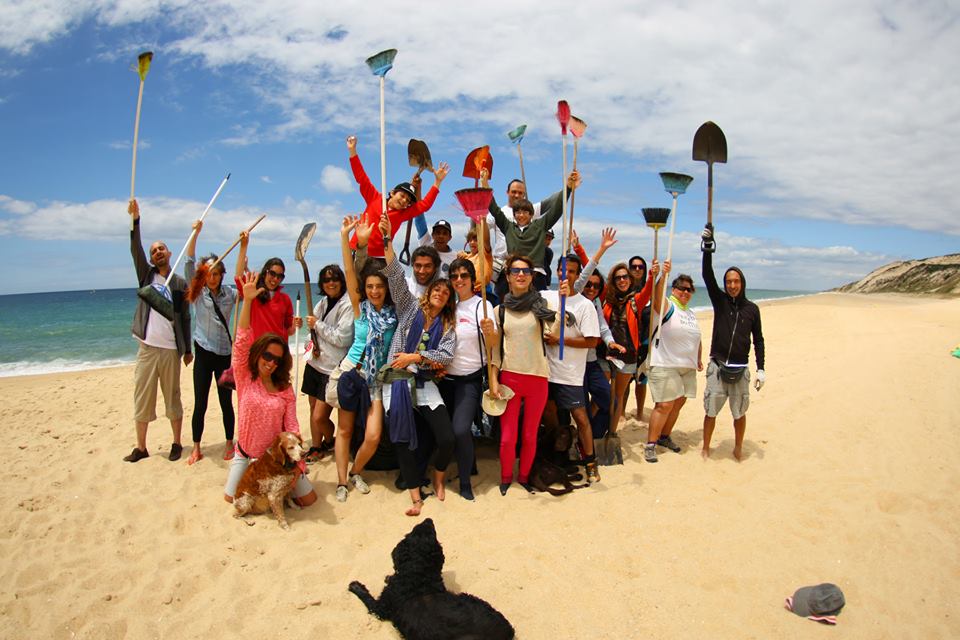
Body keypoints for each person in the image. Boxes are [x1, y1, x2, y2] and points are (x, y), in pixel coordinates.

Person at [381, 215, 458, 516]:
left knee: (447, 437)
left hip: (424, 383)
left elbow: (445, 355)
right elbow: (395, 275)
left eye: (445, 293)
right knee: (402, 438)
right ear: (428, 293)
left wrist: (415, 357)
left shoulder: (447, 324)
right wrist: (388, 240)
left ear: (449, 299)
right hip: (397, 380)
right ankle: (415, 497)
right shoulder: (410, 307)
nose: (439, 294)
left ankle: (438, 476)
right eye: (436, 290)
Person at [223, 271, 317, 507]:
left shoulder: (285, 388)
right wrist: (247, 301)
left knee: (309, 499)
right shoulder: (245, 377)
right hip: (247, 455)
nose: (271, 362)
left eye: (277, 359)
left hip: (277, 460)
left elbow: (292, 426)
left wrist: (298, 464)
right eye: (267, 355)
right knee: (230, 499)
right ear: (258, 355)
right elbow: (242, 339)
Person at [330, 216, 398, 503]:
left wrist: (387, 239)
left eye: (378, 286)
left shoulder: (395, 312)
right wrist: (347, 238)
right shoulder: (361, 308)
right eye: (369, 286)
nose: (374, 291)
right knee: (344, 430)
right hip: (353, 374)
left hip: (377, 382)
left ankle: (356, 471)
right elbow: (348, 271)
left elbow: (395, 274)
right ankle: (342, 482)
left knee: (372, 436)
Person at [125, 199, 192, 463]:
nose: (157, 253)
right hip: (147, 349)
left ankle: (176, 443)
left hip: (171, 352)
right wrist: (135, 220)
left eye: (161, 249)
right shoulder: (146, 277)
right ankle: (141, 447)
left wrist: (187, 350)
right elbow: (135, 249)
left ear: (169, 252)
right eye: (154, 251)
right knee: (143, 398)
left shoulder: (179, 283)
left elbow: (185, 318)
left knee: (173, 398)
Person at [487, 254, 559, 494]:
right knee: (508, 437)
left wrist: (563, 303)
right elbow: (495, 350)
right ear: (507, 277)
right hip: (510, 378)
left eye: (526, 272)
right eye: (516, 271)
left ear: (531, 277)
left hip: (538, 377)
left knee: (529, 435)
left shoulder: (542, 307)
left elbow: (554, 333)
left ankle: (525, 477)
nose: (521, 275)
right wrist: (494, 380)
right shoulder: (500, 311)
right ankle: (506, 477)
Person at [700, 225, 766, 461]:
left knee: (739, 414)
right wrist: (707, 247)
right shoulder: (720, 302)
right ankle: (706, 447)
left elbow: (758, 340)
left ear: (742, 283)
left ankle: (738, 447)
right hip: (717, 367)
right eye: (728, 281)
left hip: (740, 370)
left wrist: (761, 369)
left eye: (736, 281)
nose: (732, 285)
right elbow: (707, 275)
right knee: (710, 411)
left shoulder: (752, 309)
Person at [437, 257, 497, 501]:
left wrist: (490, 332)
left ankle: (465, 482)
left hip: (469, 380)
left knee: (460, 430)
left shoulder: (482, 306)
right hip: (442, 380)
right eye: (454, 276)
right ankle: (468, 462)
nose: (459, 280)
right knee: (444, 433)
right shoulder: (446, 306)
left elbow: (494, 347)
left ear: (473, 279)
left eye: (464, 275)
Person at [541, 254, 602, 483]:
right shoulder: (546, 297)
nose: (566, 275)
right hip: (547, 370)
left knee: (581, 417)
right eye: (563, 270)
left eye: (572, 271)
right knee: (549, 414)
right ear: (557, 271)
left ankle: (591, 462)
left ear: (577, 276)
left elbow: (592, 341)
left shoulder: (585, 305)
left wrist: (561, 340)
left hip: (571, 374)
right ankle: (557, 452)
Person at [345, 134, 450, 259]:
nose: (405, 200)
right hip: (357, 251)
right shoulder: (374, 197)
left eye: (408, 200)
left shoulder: (402, 214)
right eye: (402, 195)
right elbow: (361, 177)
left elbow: (424, 205)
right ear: (392, 193)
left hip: (381, 257)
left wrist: (437, 182)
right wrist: (352, 151)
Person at [184, 219, 236, 465]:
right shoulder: (197, 291)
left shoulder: (229, 294)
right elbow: (188, 260)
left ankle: (229, 443)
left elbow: (245, 285)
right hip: (203, 352)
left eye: (216, 274)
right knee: (201, 401)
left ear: (221, 274)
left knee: (226, 401)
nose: (212, 278)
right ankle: (196, 447)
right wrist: (196, 233)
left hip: (224, 354)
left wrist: (244, 247)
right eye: (208, 274)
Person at [482, 170, 581, 297]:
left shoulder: (540, 226)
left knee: (537, 311)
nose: (521, 215)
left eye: (525, 212)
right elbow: (494, 209)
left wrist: (568, 188)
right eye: (518, 212)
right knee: (507, 309)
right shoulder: (508, 227)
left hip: (535, 276)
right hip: (513, 275)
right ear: (514, 214)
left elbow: (556, 209)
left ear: (531, 214)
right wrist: (485, 184)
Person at [645, 262, 702, 463]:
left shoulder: (689, 313)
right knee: (665, 404)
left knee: (678, 402)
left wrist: (698, 357)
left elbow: (696, 337)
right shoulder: (667, 306)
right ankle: (650, 444)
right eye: (682, 288)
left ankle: (664, 436)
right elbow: (656, 296)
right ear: (674, 290)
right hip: (665, 362)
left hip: (687, 366)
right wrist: (662, 276)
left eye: (689, 289)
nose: (686, 292)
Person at [302, 263, 354, 464]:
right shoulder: (323, 303)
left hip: (331, 368)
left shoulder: (347, 305)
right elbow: (312, 330)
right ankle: (316, 446)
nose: (330, 283)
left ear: (341, 281)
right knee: (312, 406)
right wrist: (310, 343)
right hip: (315, 363)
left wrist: (317, 324)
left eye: (334, 279)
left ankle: (330, 440)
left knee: (319, 417)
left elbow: (342, 338)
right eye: (326, 280)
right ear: (321, 284)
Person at [602, 259, 656, 444]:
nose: (622, 280)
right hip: (607, 355)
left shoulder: (636, 301)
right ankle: (599, 429)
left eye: (625, 277)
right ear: (613, 281)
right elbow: (591, 271)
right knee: (602, 394)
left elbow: (649, 289)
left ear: (630, 280)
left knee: (618, 397)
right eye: (618, 278)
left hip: (628, 357)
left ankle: (612, 431)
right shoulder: (606, 299)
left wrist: (654, 274)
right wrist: (580, 251)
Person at [234, 231, 295, 340]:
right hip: (257, 351)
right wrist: (243, 246)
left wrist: (295, 325)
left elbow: (289, 330)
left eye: (280, 276)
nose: (275, 279)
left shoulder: (285, 299)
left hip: (279, 351)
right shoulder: (253, 293)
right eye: (272, 274)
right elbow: (238, 277)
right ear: (265, 272)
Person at [628, 256, 650, 421]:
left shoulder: (650, 290)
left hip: (644, 341)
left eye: (640, 267)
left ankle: (640, 412)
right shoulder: (623, 288)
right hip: (626, 341)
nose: (637, 269)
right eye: (634, 266)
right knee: (624, 379)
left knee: (641, 380)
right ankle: (621, 412)